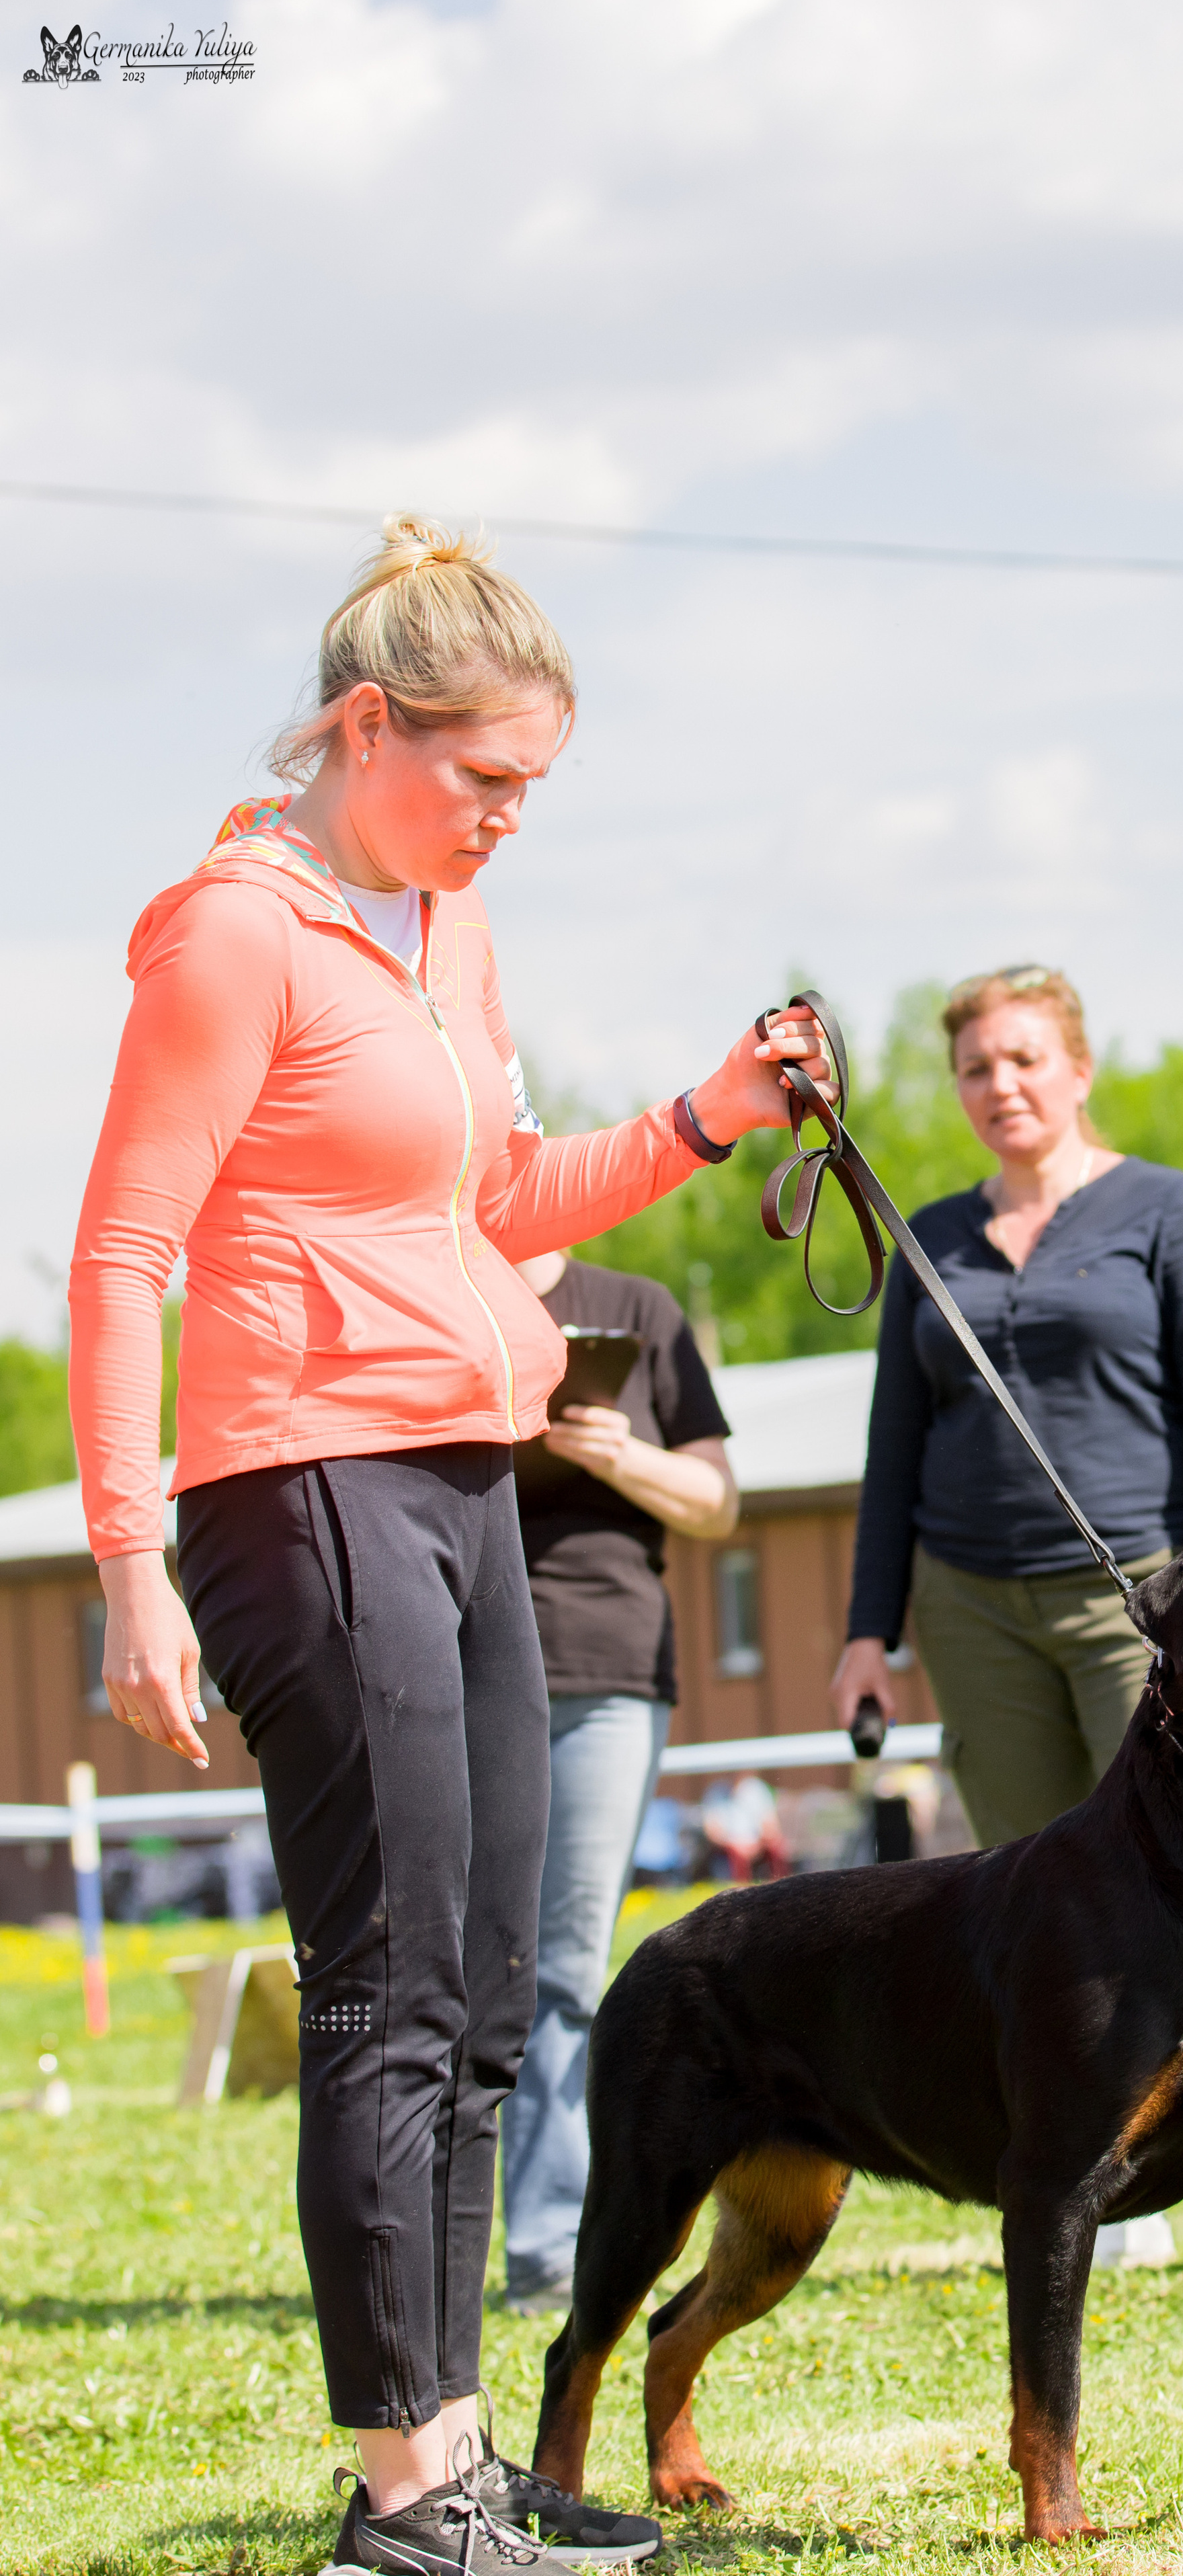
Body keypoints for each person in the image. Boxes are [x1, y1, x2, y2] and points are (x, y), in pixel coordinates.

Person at [69, 517, 830, 2575]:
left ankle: (462, 2461)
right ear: (363, 722)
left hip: (465, 1468)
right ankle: (404, 2498)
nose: (508, 820)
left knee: (492, 1992)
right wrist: (127, 1555)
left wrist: (707, 1111)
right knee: (392, 1988)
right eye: (486, 778)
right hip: (299, 1481)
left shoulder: (439, 937)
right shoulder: (234, 931)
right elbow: (125, 1248)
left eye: (535, 792)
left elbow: (495, 1197)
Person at [827, 961, 1183, 2277]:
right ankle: (1088, 2160)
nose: (998, 1085)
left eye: (1022, 1058)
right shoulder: (930, 1239)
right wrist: (865, 1626)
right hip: (968, 1596)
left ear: (1075, 1066)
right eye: (972, 1067)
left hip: (1150, 1593)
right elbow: (892, 1444)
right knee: (1033, 1886)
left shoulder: (1168, 1212)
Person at [501, 1252, 737, 2317]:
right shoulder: (436, 1275)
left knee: (561, 1962)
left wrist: (616, 1454)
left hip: (606, 1672)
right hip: (463, 1658)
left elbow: (715, 1502)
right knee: (467, 1970)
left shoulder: (636, 1305)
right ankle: (454, 2236)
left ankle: (552, 2236)